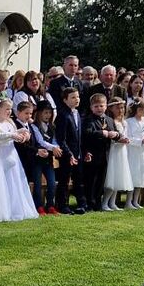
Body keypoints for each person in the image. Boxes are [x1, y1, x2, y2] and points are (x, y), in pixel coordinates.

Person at [0, 99, 38, 221]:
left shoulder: (10, 122)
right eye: (7, 109)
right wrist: (13, 136)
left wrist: (23, 135)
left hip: (12, 154)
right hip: (0, 155)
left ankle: (14, 208)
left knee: (14, 182)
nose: (9, 111)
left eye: (10, 109)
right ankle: (2, 209)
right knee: (2, 182)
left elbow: (15, 134)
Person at [83, 93, 119, 212]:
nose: (99, 108)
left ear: (106, 106)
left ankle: (98, 202)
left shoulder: (109, 120)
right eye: (96, 106)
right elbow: (87, 133)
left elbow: (115, 132)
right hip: (93, 154)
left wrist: (116, 135)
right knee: (91, 180)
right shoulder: (88, 120)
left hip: (106, 154)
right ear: (91, 107)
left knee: (101, 180)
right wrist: (101, 133)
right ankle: (89, 203)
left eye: (101, 106)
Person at [54, 87, 87, 215]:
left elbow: (78, 136)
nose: (76, 99)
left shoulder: (77, 113)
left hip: (77, 153)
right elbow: (61, 139)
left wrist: (82, 153)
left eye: (77, 97)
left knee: (79, 180)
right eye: (73, 97)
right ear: (65, 100)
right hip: (67, 154)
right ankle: (62, 205)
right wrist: (69, 154)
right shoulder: (63, 115)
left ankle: (81, 204)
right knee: (64, 180)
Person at [30, 101, 61, 215]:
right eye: (45, 113)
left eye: (50, 113)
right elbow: (40, 141)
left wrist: (56, 147)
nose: (48, 115)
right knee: (37, 185)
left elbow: (55, 140)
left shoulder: (52, 126)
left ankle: (50, 205)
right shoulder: (34, 126)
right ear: (39, 113)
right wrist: (53, 148)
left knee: (52, 183)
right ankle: (39, 206)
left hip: (48, 160)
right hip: (37, 160)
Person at [102, 99, 133, 210]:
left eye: (122, 108)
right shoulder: (110, 122)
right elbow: (111, 138)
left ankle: (112, 203)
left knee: (118, 177)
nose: (121, 110)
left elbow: (126, 135)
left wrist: (127, 140)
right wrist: (119, 140)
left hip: (122, 152)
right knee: (112, 177)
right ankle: (105, 202)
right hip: (113, 151)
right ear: (111, 109)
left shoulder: (124, 122)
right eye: (118, 108)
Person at [125, 98, 144, 209]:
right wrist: (141, 141)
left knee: (141, 176)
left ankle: (136, 201)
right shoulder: (129, 122)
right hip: (134, 152)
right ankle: (128, 202)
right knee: (134, 175)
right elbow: (128, 138)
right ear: (138, 109)